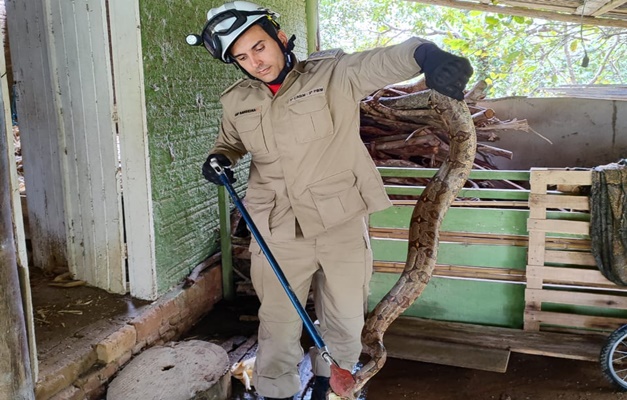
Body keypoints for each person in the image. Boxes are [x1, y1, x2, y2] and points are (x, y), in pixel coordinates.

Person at [192, 2, 472, 399]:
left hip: (339, 219)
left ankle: (335, 384)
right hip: (277, 227)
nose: (255, 62)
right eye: (241, 57)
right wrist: (220, 157)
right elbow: (231, 141)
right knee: (277, 319)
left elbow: (383, 62)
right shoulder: (237, 100)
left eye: (258, 47)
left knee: (343, 316)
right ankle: (276, 390)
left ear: (280, 39)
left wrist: (426, 54)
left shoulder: (333, 74)